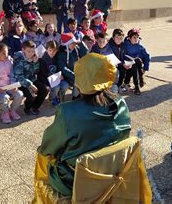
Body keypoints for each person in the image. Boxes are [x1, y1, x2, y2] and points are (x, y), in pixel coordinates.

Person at [37, 53, 131, 197]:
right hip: (115, 172)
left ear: (79, 80)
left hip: (74, 181)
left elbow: (47, 147)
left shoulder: (68, 112)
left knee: (43, 158)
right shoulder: (121, 103)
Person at [0, 43, 24, 124]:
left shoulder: (9, 61)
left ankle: (12, 110)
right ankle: (5, 113)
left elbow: (12, 75)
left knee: (19, 94)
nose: (6, 55)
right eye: (3, 53)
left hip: (9, 86)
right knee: (5, 97)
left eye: (7, 52)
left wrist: (14, 85)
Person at [13, 40, 49, 115]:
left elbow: (35, 72)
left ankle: (35, 107)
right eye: (28, 51)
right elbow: (19, 77)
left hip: (31, 79)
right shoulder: (19, 60)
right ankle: (27, 108)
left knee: (45, 89)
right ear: (23, 50)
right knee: (31, 95)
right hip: (21, 83)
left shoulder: (33, 58)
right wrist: (30, 85)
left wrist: (35, 63)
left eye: (32, 51)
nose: (31, 53)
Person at [56, 33, 89, 100]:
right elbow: (63, 69)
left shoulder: (75, 49)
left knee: (79, 81)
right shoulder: (60, 53)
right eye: (72, 43)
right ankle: (60, 97)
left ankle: (75, 97)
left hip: (73, 74)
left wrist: (81, 43)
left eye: (75, 43)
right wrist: (75, 75)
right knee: (65, 85)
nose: (74, 45)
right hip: (64, 76)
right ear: (67, 44)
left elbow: (85, 54)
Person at [38, 40, 69, 106]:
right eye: (50, 50)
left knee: (65, 85)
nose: (52, 52)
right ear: (46, 50)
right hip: (47, 80)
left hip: (56, 78)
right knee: (56, 87)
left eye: (54, 50)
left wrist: (61, 75)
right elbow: (43, 74)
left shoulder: (56, 58)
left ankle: (60, 96)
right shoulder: (42, 60)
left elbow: (59, 69)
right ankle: (52, 98)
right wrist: (53, 76)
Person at [123, 28, 151, 95]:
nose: (136, 39)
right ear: (129, 38)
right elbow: (122, 55)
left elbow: (147, 56)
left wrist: (145, 68)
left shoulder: (140, 46)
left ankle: (138, 82)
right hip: (127, 65)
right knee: (134, 65)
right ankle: (134, 83)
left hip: (137, 65)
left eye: (137, 37)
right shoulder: (125, 45)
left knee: (137, 62)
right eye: (134, 37)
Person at [109, 28, 130, 93]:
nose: (119, 40)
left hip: (120, 62)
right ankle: (116, 86)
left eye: (121, 38)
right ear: (113, 37)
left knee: (128, 69)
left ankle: (120, 85)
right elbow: (112, 58)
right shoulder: (110, 45)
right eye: (117, 37)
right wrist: (123, 64)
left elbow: (125, 54)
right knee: (119, 71)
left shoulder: (123, 44)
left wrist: (128, 62)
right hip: (112, 63)